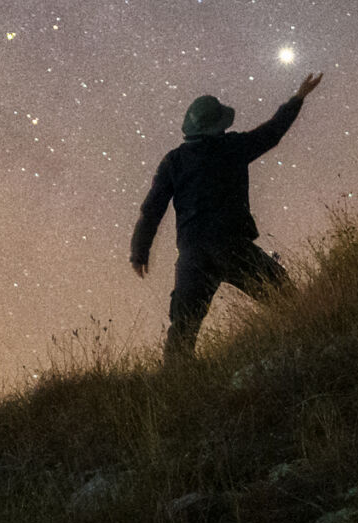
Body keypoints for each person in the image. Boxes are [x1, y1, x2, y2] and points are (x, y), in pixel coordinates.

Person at [131, 72, 321, 361]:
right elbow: (272, 132)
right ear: (218, 125)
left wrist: (139, 250)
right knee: (286, 297)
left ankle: (174, 392)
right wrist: (297, 98)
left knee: (182, 331)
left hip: (192, 255)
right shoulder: (233, 147)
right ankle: (315, 351)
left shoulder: (174, 161)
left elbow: (152, 209)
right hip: (231, 247)